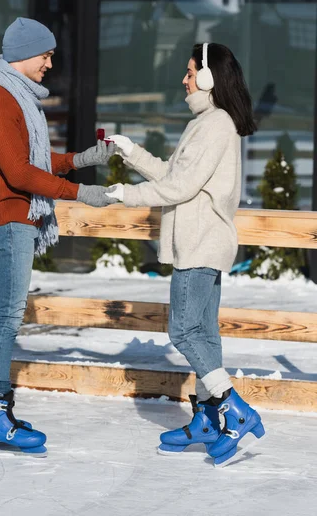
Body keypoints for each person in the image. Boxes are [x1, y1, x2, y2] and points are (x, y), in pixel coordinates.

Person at [106, 42, 265, 466]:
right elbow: (173, 174)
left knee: (183, 332)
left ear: (210, 78)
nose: (185, 78)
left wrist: (124, 194)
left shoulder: (215, 125)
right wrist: (130, 151)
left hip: (199, 243)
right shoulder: (208, 123)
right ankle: (209, 419)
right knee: (204, 334)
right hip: (202, 242)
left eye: (191, 70)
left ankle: (233, 408)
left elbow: (178, 189)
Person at [0, 17, 117, 455]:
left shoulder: (11, 96)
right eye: (46, 55)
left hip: (14, 218)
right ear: (24, 54)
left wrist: (80, 159)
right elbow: (18, 172)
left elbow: (32, 157)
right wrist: (79, 193)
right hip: (9, 218)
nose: (51, 63)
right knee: (6, 318)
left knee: (3, 316)